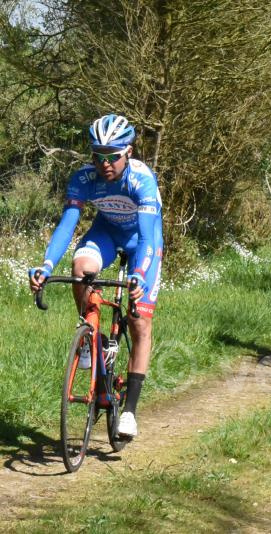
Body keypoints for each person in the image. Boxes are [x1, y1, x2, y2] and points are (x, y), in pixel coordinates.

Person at [28, 114, 163, 439]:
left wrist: (140, 274)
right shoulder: (84, 179)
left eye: (112, 156)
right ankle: (92, 336)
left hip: (143, 243)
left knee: (139, 322)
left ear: (128, 152)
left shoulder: (141, 180)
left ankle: (129, 409)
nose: (105, 163)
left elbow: (147, 238)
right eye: (97, 155)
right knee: (80, 270)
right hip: (106, 233)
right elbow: (67, 224)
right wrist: (46, 266)